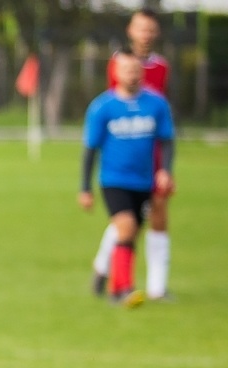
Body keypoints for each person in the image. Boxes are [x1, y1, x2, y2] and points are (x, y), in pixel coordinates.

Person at [80, 50, 175, 307]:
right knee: (126, 226)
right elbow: (90, 150)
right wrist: (85, 188)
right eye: (126, 70)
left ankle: (103, 272)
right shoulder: (102, 107)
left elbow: (167, 141)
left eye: (135, 70)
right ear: (115, 72)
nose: (132, 75)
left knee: (130, 234)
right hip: (113, 179)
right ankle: (121, 289)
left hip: (144, 181)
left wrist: (165, 170)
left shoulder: (156, 104)